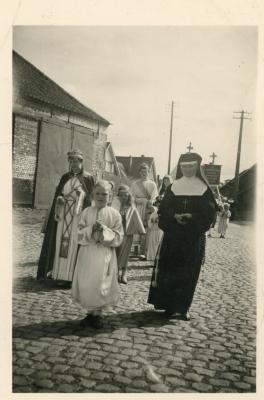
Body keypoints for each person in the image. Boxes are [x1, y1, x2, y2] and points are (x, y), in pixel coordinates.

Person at [148, 152, 218, 321]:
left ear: (197, 167)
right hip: (173, 236)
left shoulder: (203, 188)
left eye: (191, 166)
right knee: (170, 269)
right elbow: (163, 210)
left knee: (188, 272)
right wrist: (174, 216)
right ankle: (169, 305)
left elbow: (210, 213)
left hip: (192, 237)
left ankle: (183, 307)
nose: (187, 169)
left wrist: (192, 217)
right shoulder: (174, 186)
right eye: (184, 166)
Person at [37, 149, 94, 287]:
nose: (74, 164)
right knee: (61, 244)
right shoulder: (65, 177)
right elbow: (58, 195)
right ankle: (59, 274)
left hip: (77, 217)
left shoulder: (88, 178)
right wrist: (60, 199)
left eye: (76, 161)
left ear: (82, 162)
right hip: (63, 216)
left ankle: (73, 276)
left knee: (74, 244)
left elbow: (91, 199)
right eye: (71, 161)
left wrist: (82, 195)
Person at [71, 180, 124, 329]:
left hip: (104, 253)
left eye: (104, 194)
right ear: (92, 195)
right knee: (87, 282)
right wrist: (89, 229)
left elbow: (119, 236)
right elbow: (78, 233)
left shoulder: (114, 214)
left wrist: (104, 231)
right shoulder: (87, 212)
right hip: (88, 252)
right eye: (98, 194)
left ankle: (98, 314)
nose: (101, 196)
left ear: (110, 196)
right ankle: (89, 313)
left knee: (101, 282)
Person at [113, 184, 145, 284]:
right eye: (121, 195)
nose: (123, 197)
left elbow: (137, 219)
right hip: (117, 232)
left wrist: (141, 230)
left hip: (128, 233)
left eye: (125, 195)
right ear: (118, 196)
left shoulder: (131, 207)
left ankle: (123, 274)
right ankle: (116, 273)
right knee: (117, 253)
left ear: (129, 195)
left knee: (125, 254)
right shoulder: (115, 206)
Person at [130, 163, 158, 258]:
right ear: (139, 173)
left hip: (148, 208)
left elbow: (155, 197)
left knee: (147, 228)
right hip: (137, 207)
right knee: (137, 227)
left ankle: (144, 250)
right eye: (142, 172)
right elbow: (131, 197)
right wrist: (139, 200)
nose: (144, 173)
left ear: (148, 172)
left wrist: (150, 202)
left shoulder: (152, 184)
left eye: (145, 172)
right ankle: (136, 250)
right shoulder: (135, 184)